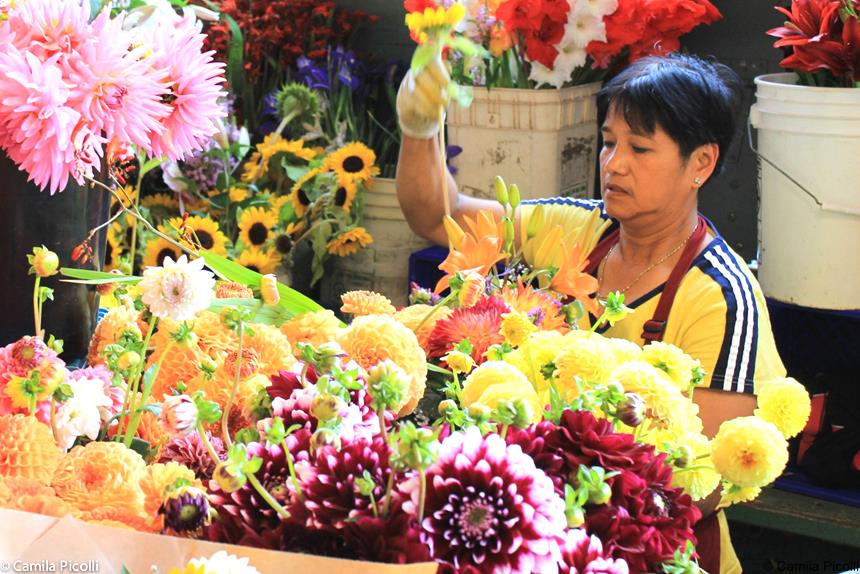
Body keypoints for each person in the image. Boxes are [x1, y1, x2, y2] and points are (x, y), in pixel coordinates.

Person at [395, 52, 788, 574]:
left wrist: (578, 497)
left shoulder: (722, 295)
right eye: (608, 142)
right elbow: (435, 215)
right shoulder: (578, 230)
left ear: (702, 163)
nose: (614, 164)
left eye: (640, 148)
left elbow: (705, 481)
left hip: (651, 550)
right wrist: (420, 127)